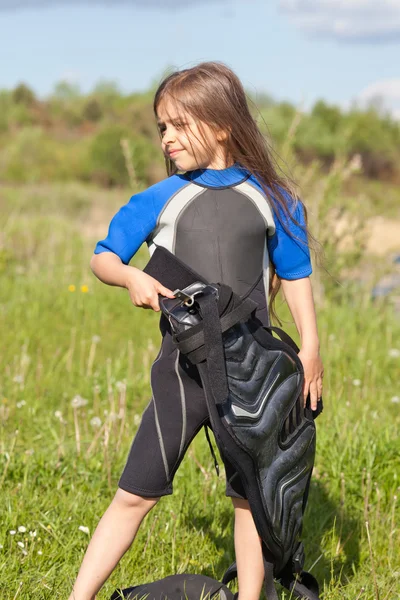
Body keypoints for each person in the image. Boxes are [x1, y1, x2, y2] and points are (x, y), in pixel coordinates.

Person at [68, 61, 324, 600]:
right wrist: (131, 276)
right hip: (182, 372)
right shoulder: (162, 199)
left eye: (179, 125)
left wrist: (312, 349)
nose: (167, 138)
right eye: (161, 127)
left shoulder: (273, 199)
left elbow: (296, 273)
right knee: (135, 492)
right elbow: (103, 257)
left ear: (222, 124)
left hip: (251, 371)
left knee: (251, 496)